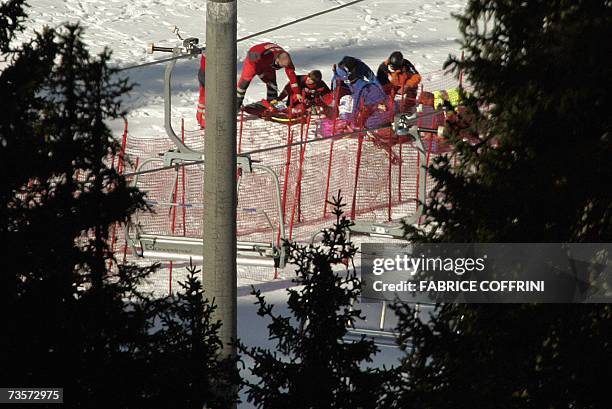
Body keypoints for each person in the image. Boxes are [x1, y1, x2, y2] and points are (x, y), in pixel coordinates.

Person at [237, 42, 302, 110]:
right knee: (244, 83)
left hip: (269, 63)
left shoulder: (286, 57)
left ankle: (272, 103)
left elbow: (291, 75)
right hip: (253, 59)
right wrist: (266, 80)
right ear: (277, 60)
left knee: (272, 83)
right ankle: (236, 103)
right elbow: (258, 71)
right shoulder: (263, 57)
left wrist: (297, 92)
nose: (283, 67)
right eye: (281, 66)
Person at [195, 54, 206, 128]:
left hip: (202, 72)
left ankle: (199, 118)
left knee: (203, 96)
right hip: (210, 74)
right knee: (212, 99)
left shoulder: (208, 45)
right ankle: (204, 122)